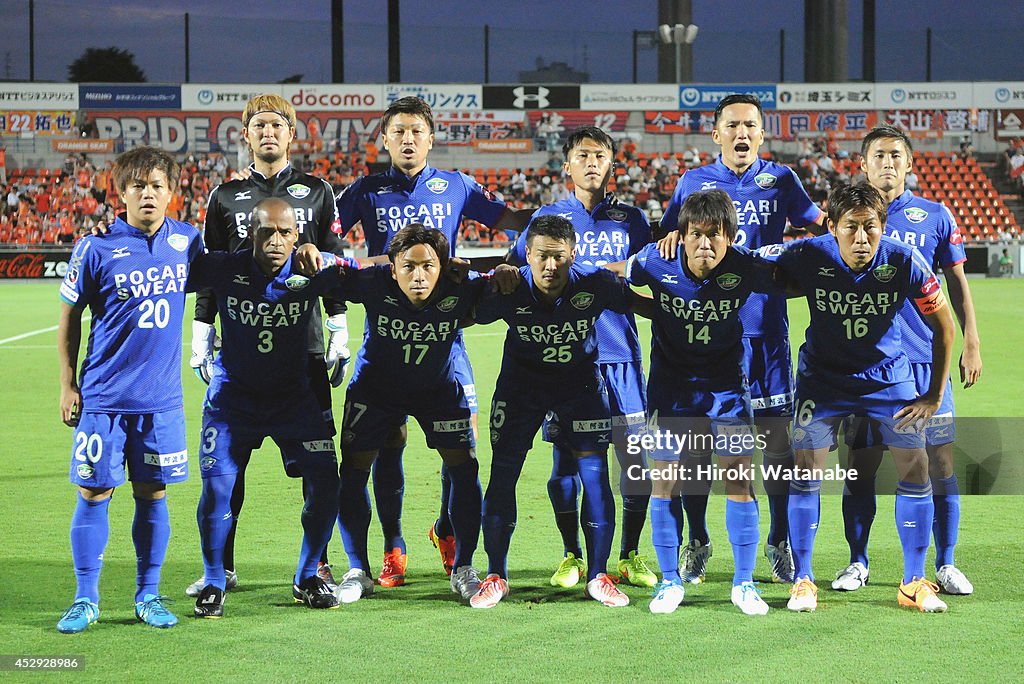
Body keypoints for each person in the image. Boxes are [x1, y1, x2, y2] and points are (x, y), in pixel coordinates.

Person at [335, 96, 532, 587]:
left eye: (416, 131)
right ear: (385, 138)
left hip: (446, 335)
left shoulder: (457, 185)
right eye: (398, 131)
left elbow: (511, 220)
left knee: (459, 442)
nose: (407, 139)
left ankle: (448, 531)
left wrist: (527, 244)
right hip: (386, 331)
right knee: (388, 441)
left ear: (430, 137)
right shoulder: (367, 189)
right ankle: (392, 547)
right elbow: (325, 230)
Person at [185, 93, 349, 598]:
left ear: (291, 133)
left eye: (277, 124)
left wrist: (339, 328)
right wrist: (201, 334)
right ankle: (224, 567)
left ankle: (315, 567)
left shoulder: (318, 191)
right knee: (227, 472)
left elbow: (335, 262)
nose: (268, 132)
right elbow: (209, 270)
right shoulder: (224, 195)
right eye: (259, 125)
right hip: (239, 347)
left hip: (304, 353)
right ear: (246, 134)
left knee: (316, 468)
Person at [659, 93, 824, 584]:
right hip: (707, 339)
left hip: (766, 334)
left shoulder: (783, 180)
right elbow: (671, 241)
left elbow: (819, 225)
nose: (742, 133)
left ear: (762, 133)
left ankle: (778, 542)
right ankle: (697, 540)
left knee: (776, 447)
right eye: (732, 125)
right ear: (716, 134)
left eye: (750, 125)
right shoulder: (693, 182)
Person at [774, 183, 956, 613]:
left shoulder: (903, 260)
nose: (861, 238)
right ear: (832, 228)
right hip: (822, 382)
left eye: (870, 227)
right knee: (806, 471)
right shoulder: (806, 254)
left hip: (888, 380)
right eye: (851, 228)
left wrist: (931, 396)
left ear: (882, 226)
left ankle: (914, 580)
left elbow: (946, 328)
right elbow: (757, 276)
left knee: (916, 466)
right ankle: (803, 579)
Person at [56, 146, 203, 633]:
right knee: (94, 491)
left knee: (153, 494)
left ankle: (148, 594)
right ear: (121, 193)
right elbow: (69, 319)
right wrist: (67, 384)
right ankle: (84, 598)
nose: (147, 194)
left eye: (157, 185)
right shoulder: (93, 247)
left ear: (172, 193)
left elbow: (223, 284)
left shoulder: (187, 241)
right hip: (102, 398)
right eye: (137, 186)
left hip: (161, 403)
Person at [833, 124, 982, 596]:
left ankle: (945, 563)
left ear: (910, 162)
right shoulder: (845, 216)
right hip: (864, 366)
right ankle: (858, 562)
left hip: (921, 362)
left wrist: (971, 340)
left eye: (896, 154)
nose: (888, 163)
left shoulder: (935, 215)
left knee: (939, 464)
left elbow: (956, 285)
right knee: (861, 464)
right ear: (863, 164)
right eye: (878, 155)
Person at [507, 126, 656, 589]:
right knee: (565, 463)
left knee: (635, 464)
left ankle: (629, 553)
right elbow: (515, 275)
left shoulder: (632, 220)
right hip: (565, 363)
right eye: (582, 155)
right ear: (567, 165)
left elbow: (651, 274)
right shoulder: (547, 220)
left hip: (622, 357)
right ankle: (571, 554)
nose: (592, 162)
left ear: (612, 165)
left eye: (601, 155)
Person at [619, 190, 777, 615]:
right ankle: (669, 582)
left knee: (739, 481)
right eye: (696, 235)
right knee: (665, 481)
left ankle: (744, 585)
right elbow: (617, 274)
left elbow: (795, 279)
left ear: (730, 237)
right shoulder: (656, 260)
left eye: (715, 235)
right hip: (671, 391)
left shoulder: (745, 266)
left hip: (727, 390)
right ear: (681, 235)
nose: (705, 244)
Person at [469, 215, 639, 610]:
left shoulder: (595, 284)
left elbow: (644, 304)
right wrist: (486, 273)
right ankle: (495, 574)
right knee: (504, 472)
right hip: (520, 390)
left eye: (559, 257)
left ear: (573, 254)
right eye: (542, 256)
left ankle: (598, 576)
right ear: (526, 254)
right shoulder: (508, 288)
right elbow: (466, 310)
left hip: (579, 388)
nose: (550, 266)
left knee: (595, 475)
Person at [331, 225, 491, 605]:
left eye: (428, 266)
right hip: (376, 391)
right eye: (408, 266)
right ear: (392, 268)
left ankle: (465, 567)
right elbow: (327, 273)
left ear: (444, 266)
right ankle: (357, 568)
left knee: (465, 467)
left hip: (438, 392)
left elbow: (514, 283)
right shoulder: (371, 283)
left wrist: (502, 273)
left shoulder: (462, 289)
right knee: (353, 472)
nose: (418, 276)